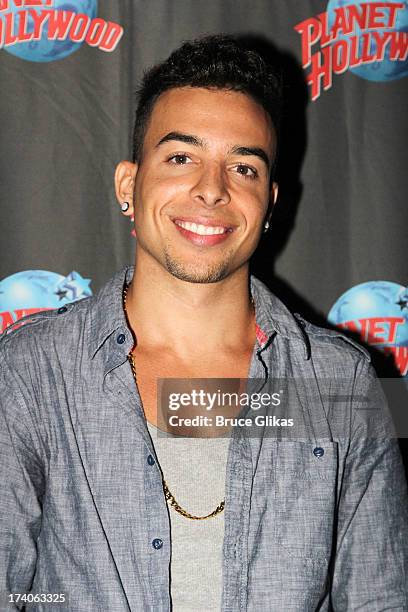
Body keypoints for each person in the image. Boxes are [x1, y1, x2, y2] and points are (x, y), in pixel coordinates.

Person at [0, 34, 407, 612]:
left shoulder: (338, 383)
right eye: (181, 157)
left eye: (242, 166)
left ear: (269, 202)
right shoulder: (31, 373)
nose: (212, 190)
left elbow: (379, 598)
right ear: (128, 185)